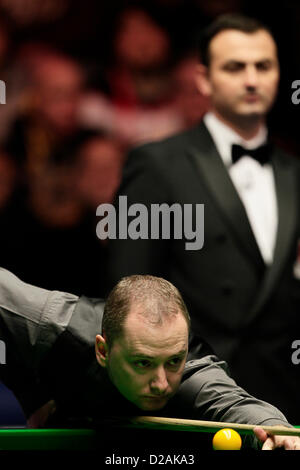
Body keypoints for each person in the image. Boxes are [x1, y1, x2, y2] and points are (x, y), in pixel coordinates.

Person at [106, 13, 300, 424]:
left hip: (282, 401)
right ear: (204, 79)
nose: (251, 80)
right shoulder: (156, 164)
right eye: (234, 67)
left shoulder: (294, 173)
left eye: (263, 66)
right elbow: (125, 296)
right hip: (190, 401)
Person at [0, 268, 299, 450]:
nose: (161, 383)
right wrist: (32, 393)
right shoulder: (53, 325)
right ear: (103, 351)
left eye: (173, 361)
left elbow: (236, 405)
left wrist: (278, 431)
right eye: (143, 362)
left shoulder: (192, 374)